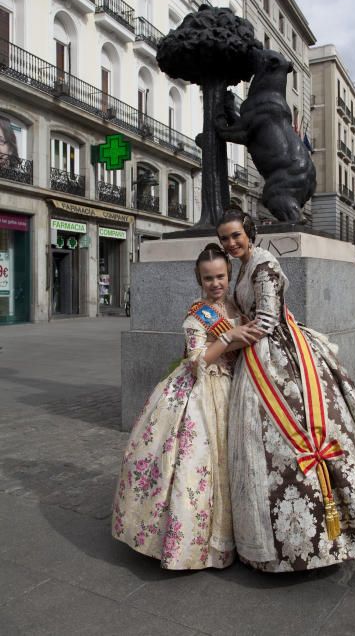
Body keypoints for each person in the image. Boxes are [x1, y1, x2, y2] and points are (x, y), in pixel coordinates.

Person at [217, 209, 355, 573]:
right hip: (259, 353)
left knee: (301, 435)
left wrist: (226, 341)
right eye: (225, 238)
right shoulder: (245, 265)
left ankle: (320, 535)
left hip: (275, 357)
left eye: (235, 236)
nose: (231, 243)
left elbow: (265, 320)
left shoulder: (264, 264)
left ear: (250, 233)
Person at [111, 243, 262, 569]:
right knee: (195, 463)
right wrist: (227, 338)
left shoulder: (236, 308)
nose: (215, 283)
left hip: (233, 387)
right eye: (208, 278)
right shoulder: (199, 314)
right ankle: (191, 544)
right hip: (200, 389)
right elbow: (196, 361)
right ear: (199, 279)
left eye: (220, 276)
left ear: (229, 274)